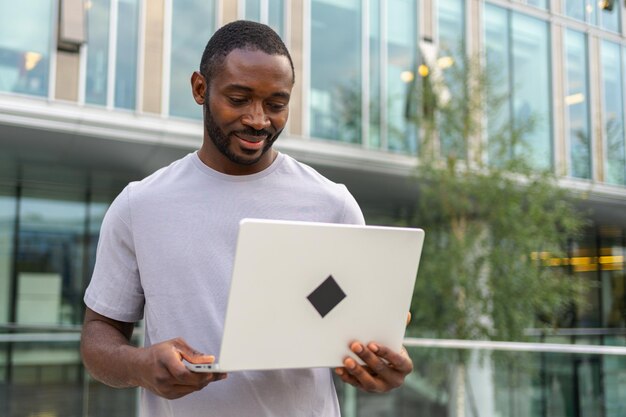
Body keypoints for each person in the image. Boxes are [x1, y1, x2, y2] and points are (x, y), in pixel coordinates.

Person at [80, 20, 413, 417]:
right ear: (200, 89)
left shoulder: (332, 204)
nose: (259, 120)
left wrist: (381, 364)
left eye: (276, 104)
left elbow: (354, 330)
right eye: (238, 99)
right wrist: (140, 366)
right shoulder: (141, 205)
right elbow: (99, 334)